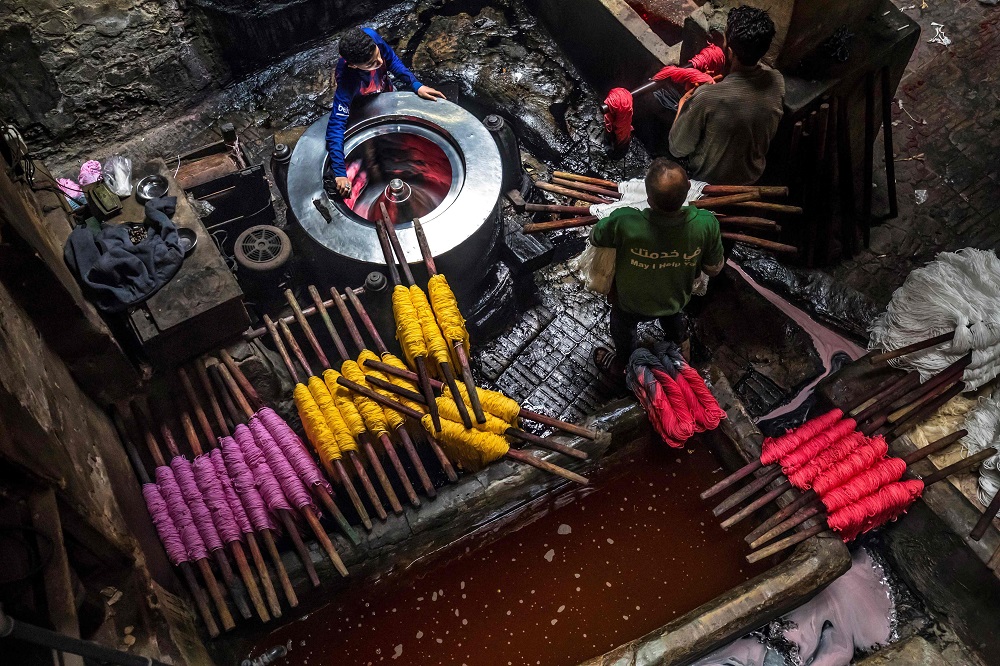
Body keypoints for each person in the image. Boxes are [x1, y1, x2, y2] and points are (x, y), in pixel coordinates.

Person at [590, 159, 725, 375]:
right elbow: (714, 269)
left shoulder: (624, 221)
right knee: (673, 319)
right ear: (689, 189)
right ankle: (681, 350)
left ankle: (623, 364)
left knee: (621, 327)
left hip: (630, 303)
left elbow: (596, 237)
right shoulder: (706, 223)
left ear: (649, 199)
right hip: (674, 299)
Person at [667, 5, 784, 185]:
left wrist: (684, 102)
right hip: (752, 177)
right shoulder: (777, 82)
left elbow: (677, 148)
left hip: (710, 185)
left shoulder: (706, 98)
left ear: (729, 51)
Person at [326, 27, 446, 197]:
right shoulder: (348, 79)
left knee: (399, 140)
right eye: (371, 64)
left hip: (385, 91)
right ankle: (377, 174)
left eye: (377, 55)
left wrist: (416, 85)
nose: (380, 63)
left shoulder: (371, 37)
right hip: (363, 106)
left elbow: (392, 61)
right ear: (353, 65)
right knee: (373, 152)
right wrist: (339, 171)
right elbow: (336, 126)